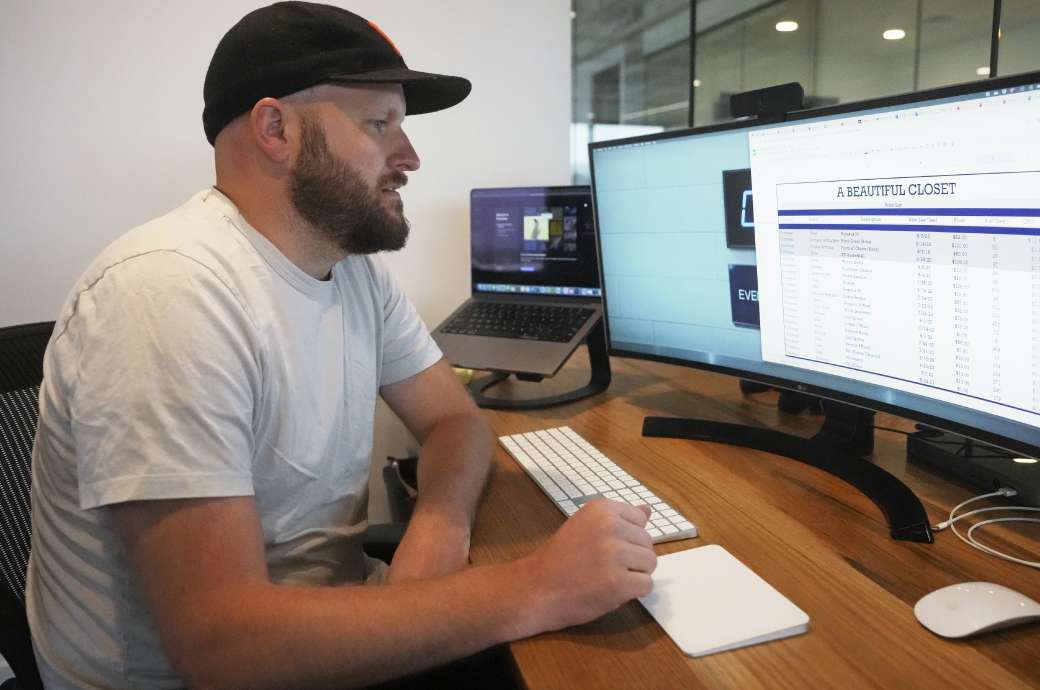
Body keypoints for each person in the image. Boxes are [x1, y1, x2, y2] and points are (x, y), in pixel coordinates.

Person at [25, 3, 657, 689]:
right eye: (379, 124)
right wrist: (543, 586)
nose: (410, 156)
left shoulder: (353, 274)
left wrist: (436, 530)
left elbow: (454, 421)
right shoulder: (167, 295)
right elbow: (224, 651)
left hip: (339, 622)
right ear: (276, 129)